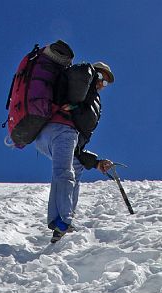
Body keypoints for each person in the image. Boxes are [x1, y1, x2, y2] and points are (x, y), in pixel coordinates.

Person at [33, 59, 116, 243]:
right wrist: (74, 108)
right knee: (64, 173)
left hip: (46, 135)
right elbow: (74, 115)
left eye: (106, 82)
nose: (102, 83)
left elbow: (77, 152)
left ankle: (58, 221)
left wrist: (95, 162)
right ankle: (63, 221)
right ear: (93, 74)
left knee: (74, 166)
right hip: (63, 130)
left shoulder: (78, 91)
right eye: (101, 77)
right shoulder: (82, 88)